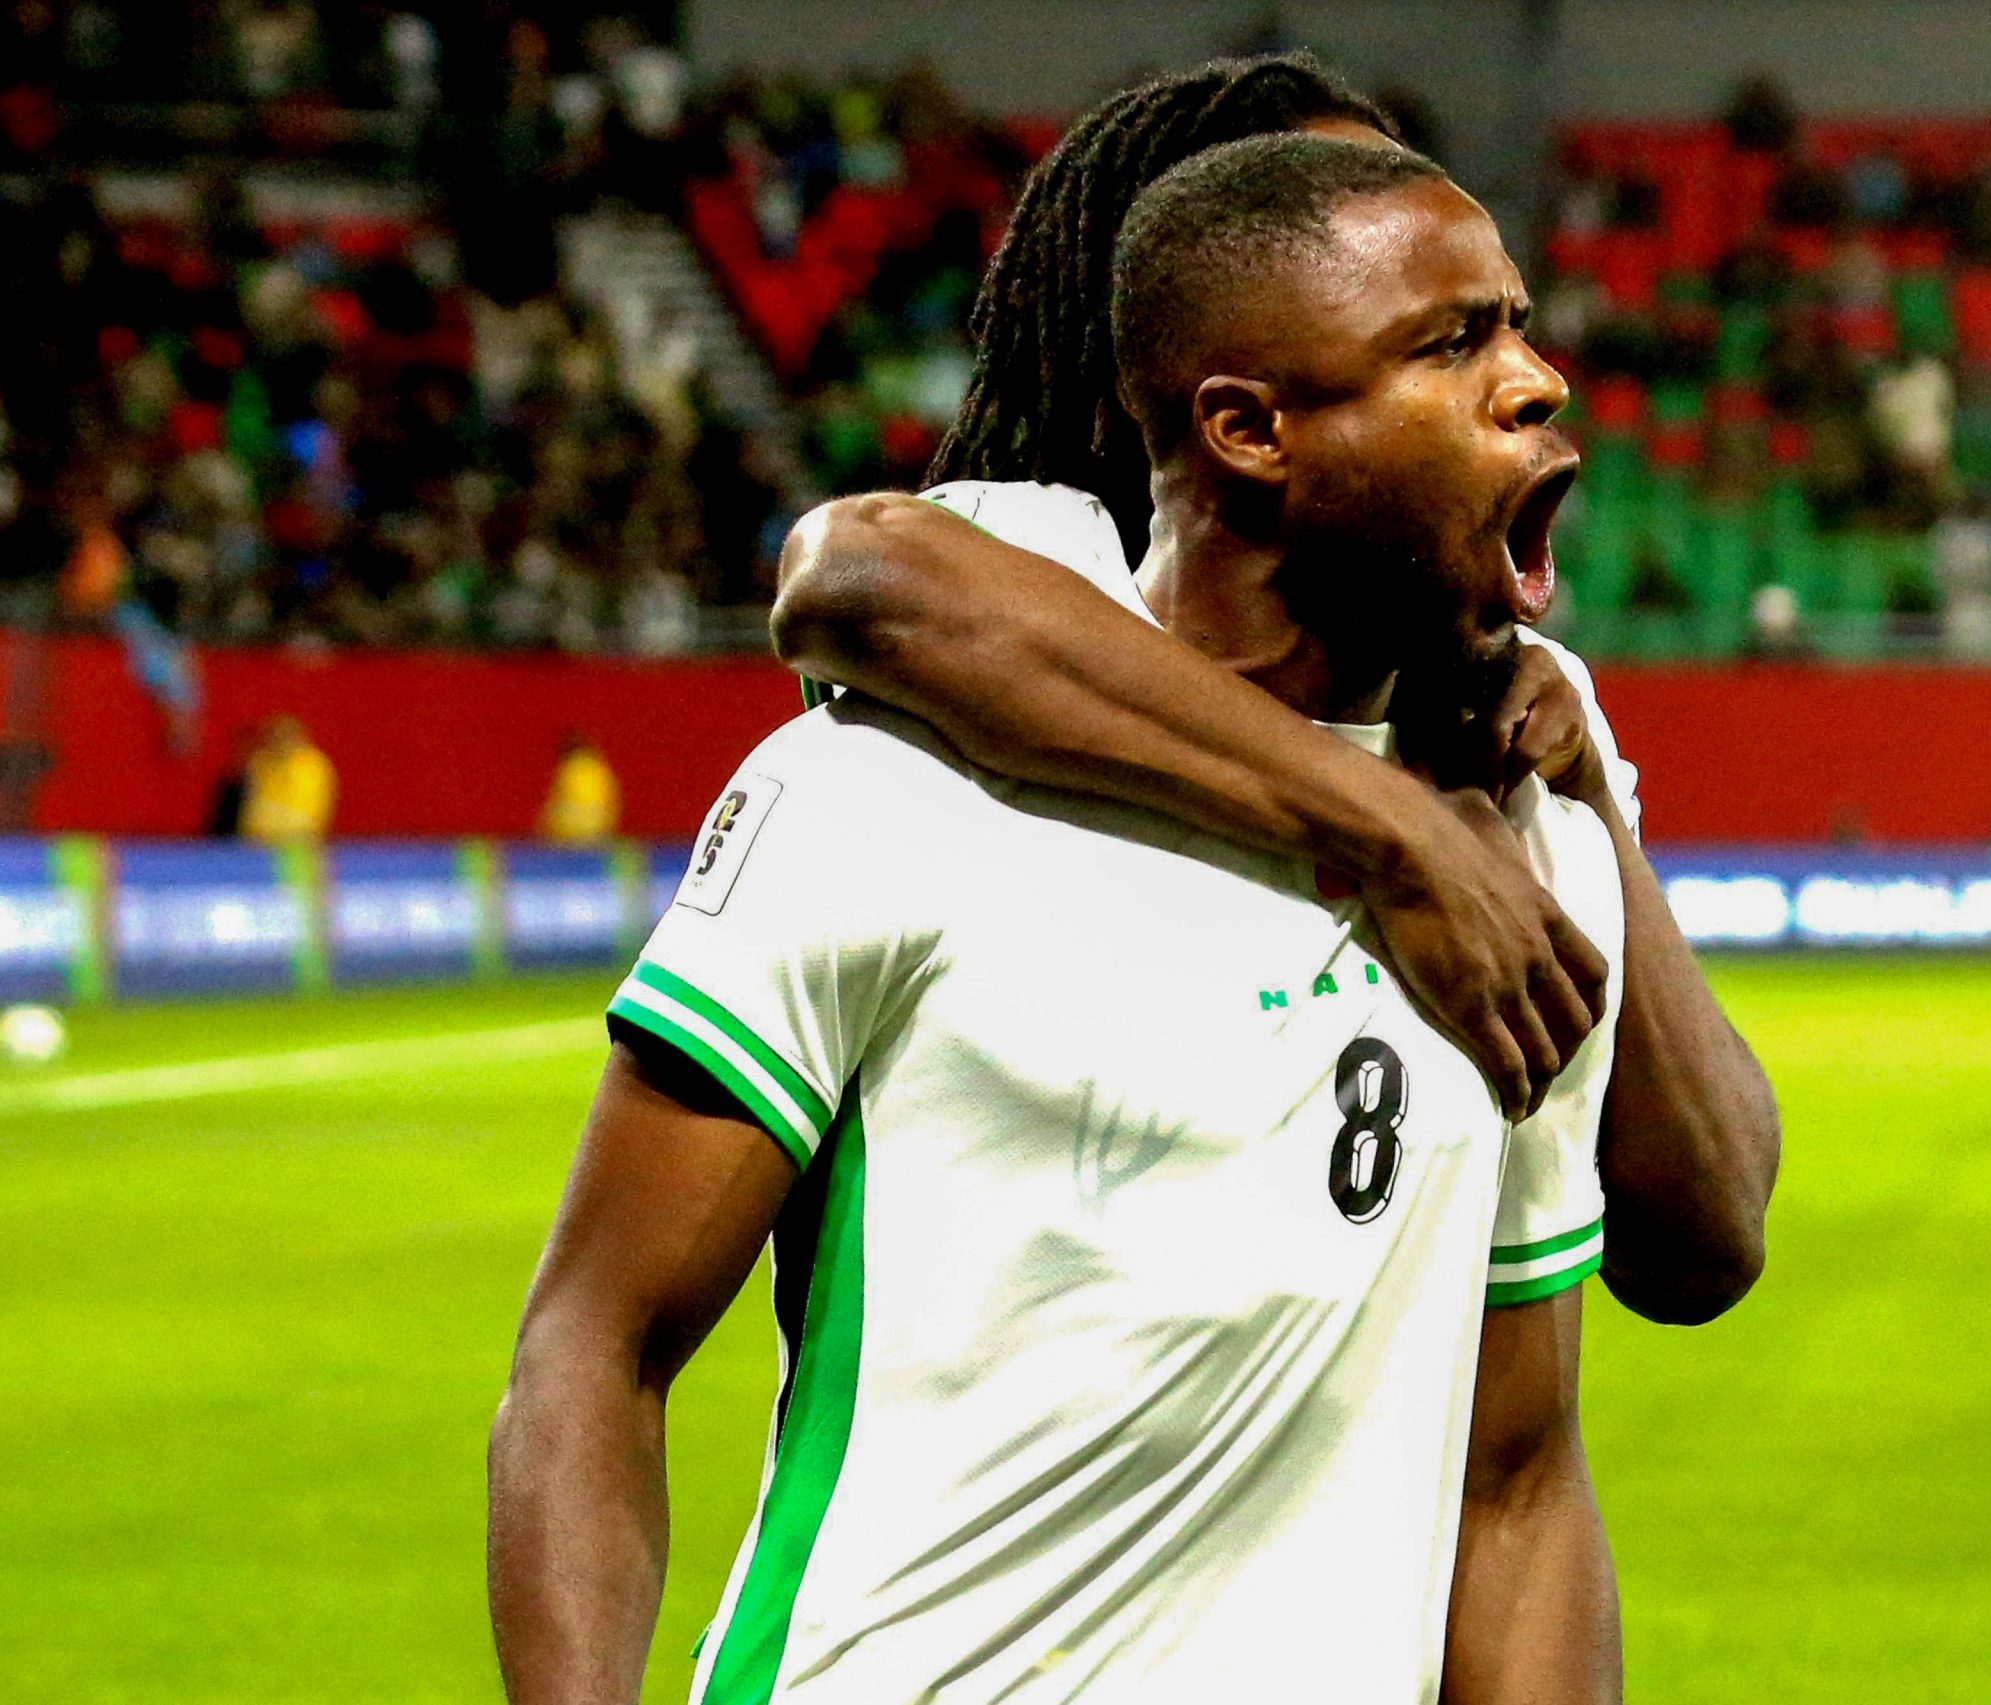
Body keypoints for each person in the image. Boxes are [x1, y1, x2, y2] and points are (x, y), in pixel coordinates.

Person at [491, 137, 1629, 1702]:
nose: (1536, 379)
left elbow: (1518, 1481)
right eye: (1453, 342)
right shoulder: (888, 792)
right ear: (1247, 430)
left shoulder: (1524, 863)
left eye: (1516, 323)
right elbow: (594, 1348)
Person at [770, 56, 1779, 1334]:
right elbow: (853, 572)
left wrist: (1582, 807)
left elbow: (1702, 1240)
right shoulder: (1028, 558)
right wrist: (1396, 827)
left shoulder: (1485, 677)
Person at [240, 715, 335, 844]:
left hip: (298, 840)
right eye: (274, 738)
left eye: (285, 737)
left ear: (298, 738)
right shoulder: (259, 763)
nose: (280, 743)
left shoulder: (312, 765)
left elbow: (309, 812)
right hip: (256, 842)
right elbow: (251, 806)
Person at [537, 731, 620, 843]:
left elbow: (558, 800)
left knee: (546, 825)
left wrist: (543, 824)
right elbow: (612, 799)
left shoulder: (569, 768)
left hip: (574, 825)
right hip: (599, 823)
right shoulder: (599, 767)